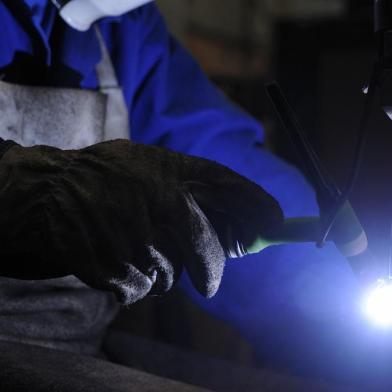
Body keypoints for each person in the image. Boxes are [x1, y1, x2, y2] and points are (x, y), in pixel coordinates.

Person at [0, 0, 387, 387]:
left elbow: (225, 169)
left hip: (79, 349)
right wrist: (30, 188)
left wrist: (340, 304)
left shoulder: (125, 27)